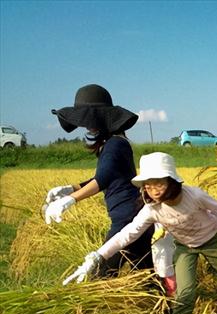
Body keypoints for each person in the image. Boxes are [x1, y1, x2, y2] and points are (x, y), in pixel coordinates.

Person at [63, 152, 217, 314]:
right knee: (184, 293)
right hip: (185, 247)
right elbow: (128, 233)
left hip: (212, 240)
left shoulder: (193, 195)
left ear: (171, 180)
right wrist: (98, 256)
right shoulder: (151, 209)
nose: (154, 190)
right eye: (148, 186)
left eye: (158, 183)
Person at [45, 84, 153, 276]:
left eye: (89, 119)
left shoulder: (115, 145)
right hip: (134, 216)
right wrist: (70, 189)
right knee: (146, 277)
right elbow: (103, 177)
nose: (87, 125)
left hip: (127, 220)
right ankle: (167, 305)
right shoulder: (114, 143)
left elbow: (103, 178)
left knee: (102, 276)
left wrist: (71, 200)